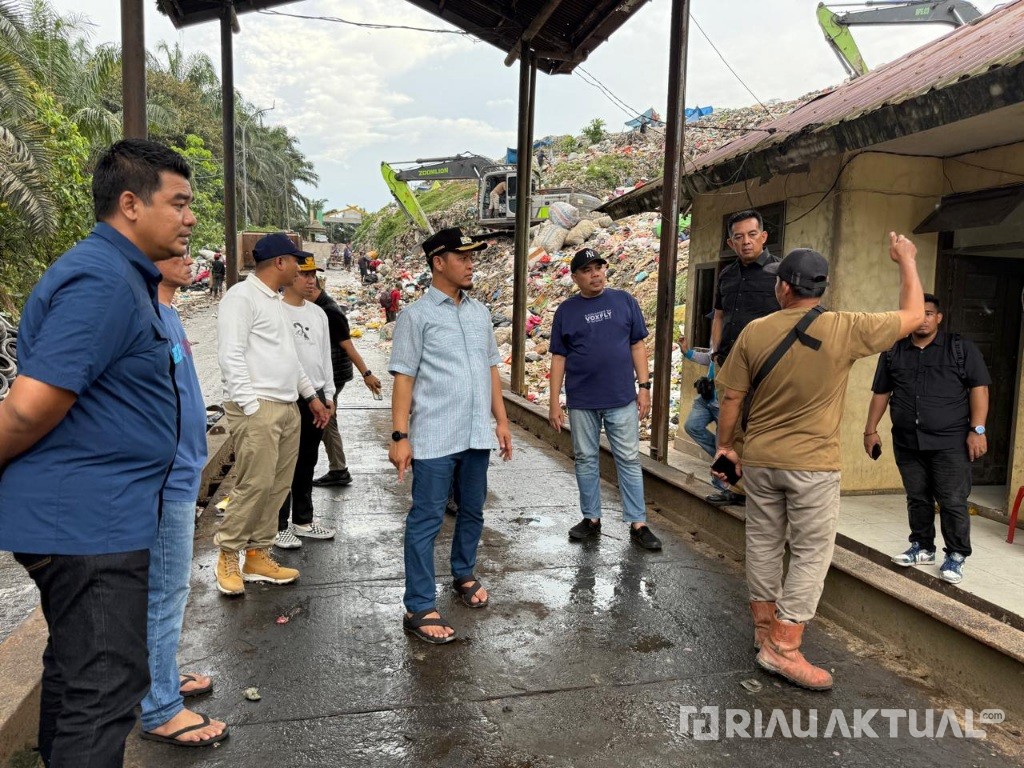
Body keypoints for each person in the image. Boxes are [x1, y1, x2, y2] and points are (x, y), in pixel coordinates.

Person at [0, 139, 189, 767]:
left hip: (97, 518)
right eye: (179, 203)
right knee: (105, 687)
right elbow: (27, 409)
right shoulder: (102, 279)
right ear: (131, 204)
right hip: (88, 524)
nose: (190, 218)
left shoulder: (121, 276)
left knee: (79, 672)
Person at [713, 235, 925, 691]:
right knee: (811, 551)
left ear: (785, 287)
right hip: (814, 465)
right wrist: (906, 260)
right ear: (819, 288)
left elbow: (731, 397)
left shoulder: (755, 331)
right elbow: (912, 316)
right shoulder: (845, 328)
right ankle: (783, 646)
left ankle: (764, 629)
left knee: (764, 542)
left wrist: (726, 446)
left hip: (761, 460)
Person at [388, 227, 513, 644]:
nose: (471, 264)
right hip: (435, 437)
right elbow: (404, 378)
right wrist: (399, 436)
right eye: (463, 257)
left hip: (476, 433)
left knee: (473, 510)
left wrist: (501, 421)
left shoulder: (480, 314)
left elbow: (491, 369)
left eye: (472, 257)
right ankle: (419, 605)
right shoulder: (416, 316)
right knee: (426, 519)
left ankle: (463, 573)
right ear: (438, 262)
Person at [141, 250, 229, 748]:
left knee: (168, 588)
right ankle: (159, 706)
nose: (189, 258)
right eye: (176, 251)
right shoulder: (144, 314)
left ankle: (164, 677)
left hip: (181, 469)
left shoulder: (169, 312)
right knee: (166, 590)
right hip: (165, 475)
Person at [215, 232, 330, 596]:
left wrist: (310, 396)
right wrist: (250, 406)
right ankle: (228, 553)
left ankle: (257, 555)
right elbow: (230, 355)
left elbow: (289, 358)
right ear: (279, 262)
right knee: (254, 484)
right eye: (295, 260)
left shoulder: (275, 301)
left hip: (287, 406)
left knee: (277, 485)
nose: (300, 267)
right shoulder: (241, 297)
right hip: (259, 406)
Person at [864, 293, 990, 584]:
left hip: (950, 442)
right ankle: (922, 547)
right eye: (918, 314)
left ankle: (956, 555)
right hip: (908, 441)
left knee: (952, 500)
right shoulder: (893, 351)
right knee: (917, 497)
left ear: (938, 318)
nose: (923, 319)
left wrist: (978, 430)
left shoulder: (960, 349)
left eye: (929, 314)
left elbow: (979, 389)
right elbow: (881, 393)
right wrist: (870, 430)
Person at [547, 247, 662, 552]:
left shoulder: (624, 301)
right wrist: (554, 401)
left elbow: (637, 345)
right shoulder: (566, 311)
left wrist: (645, 387)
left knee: (628, 458)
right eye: (587, 270)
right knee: (585, 458)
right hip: (582, 400)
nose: (595, 274)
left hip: (621, 398)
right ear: (575, 277)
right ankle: (591, 518)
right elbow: (559, 358)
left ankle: (638, 523)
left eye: (599, 267)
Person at [708, 209, 782, 507]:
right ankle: (736, 490)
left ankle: (765, 492)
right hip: (729, 363)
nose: (746, 242)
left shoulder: (780, 273)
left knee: (763, 428)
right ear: (731, 243)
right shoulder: (727, 275)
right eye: (739, 237)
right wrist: (715, 351)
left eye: (752, 235)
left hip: (767, 367)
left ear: (763, 236)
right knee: (733, 426)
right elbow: (719, 315)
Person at [275, 256, 338, 549]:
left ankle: (303, 520)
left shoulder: (318, 314)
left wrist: (329, 395)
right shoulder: (276, 311)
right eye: (305, 274)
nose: (311, 280)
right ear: (290, 276)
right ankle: (277, 525)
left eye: (314, 275)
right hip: (287, 397)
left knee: (307, 459)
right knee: (282, 463)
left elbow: (325, 357)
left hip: (317, 396)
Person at [311, 277, 383, 488]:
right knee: (326, 420)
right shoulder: (318, 308)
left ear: (313, 287)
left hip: (332, 376)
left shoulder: (329, 311)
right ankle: (338, 468)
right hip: (331, 375)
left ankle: (339, 469)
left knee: (326, 420)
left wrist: (366, 373)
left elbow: (348, 346)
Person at [678, 333, 731, 498]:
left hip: (722, 402)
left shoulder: (735, 339)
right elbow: (709, 358)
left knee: (723, 444)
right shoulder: (717, 339)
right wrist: (687, 352)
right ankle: (722, 459)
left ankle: (725, 487)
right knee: (691, 426)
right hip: (706, 398)